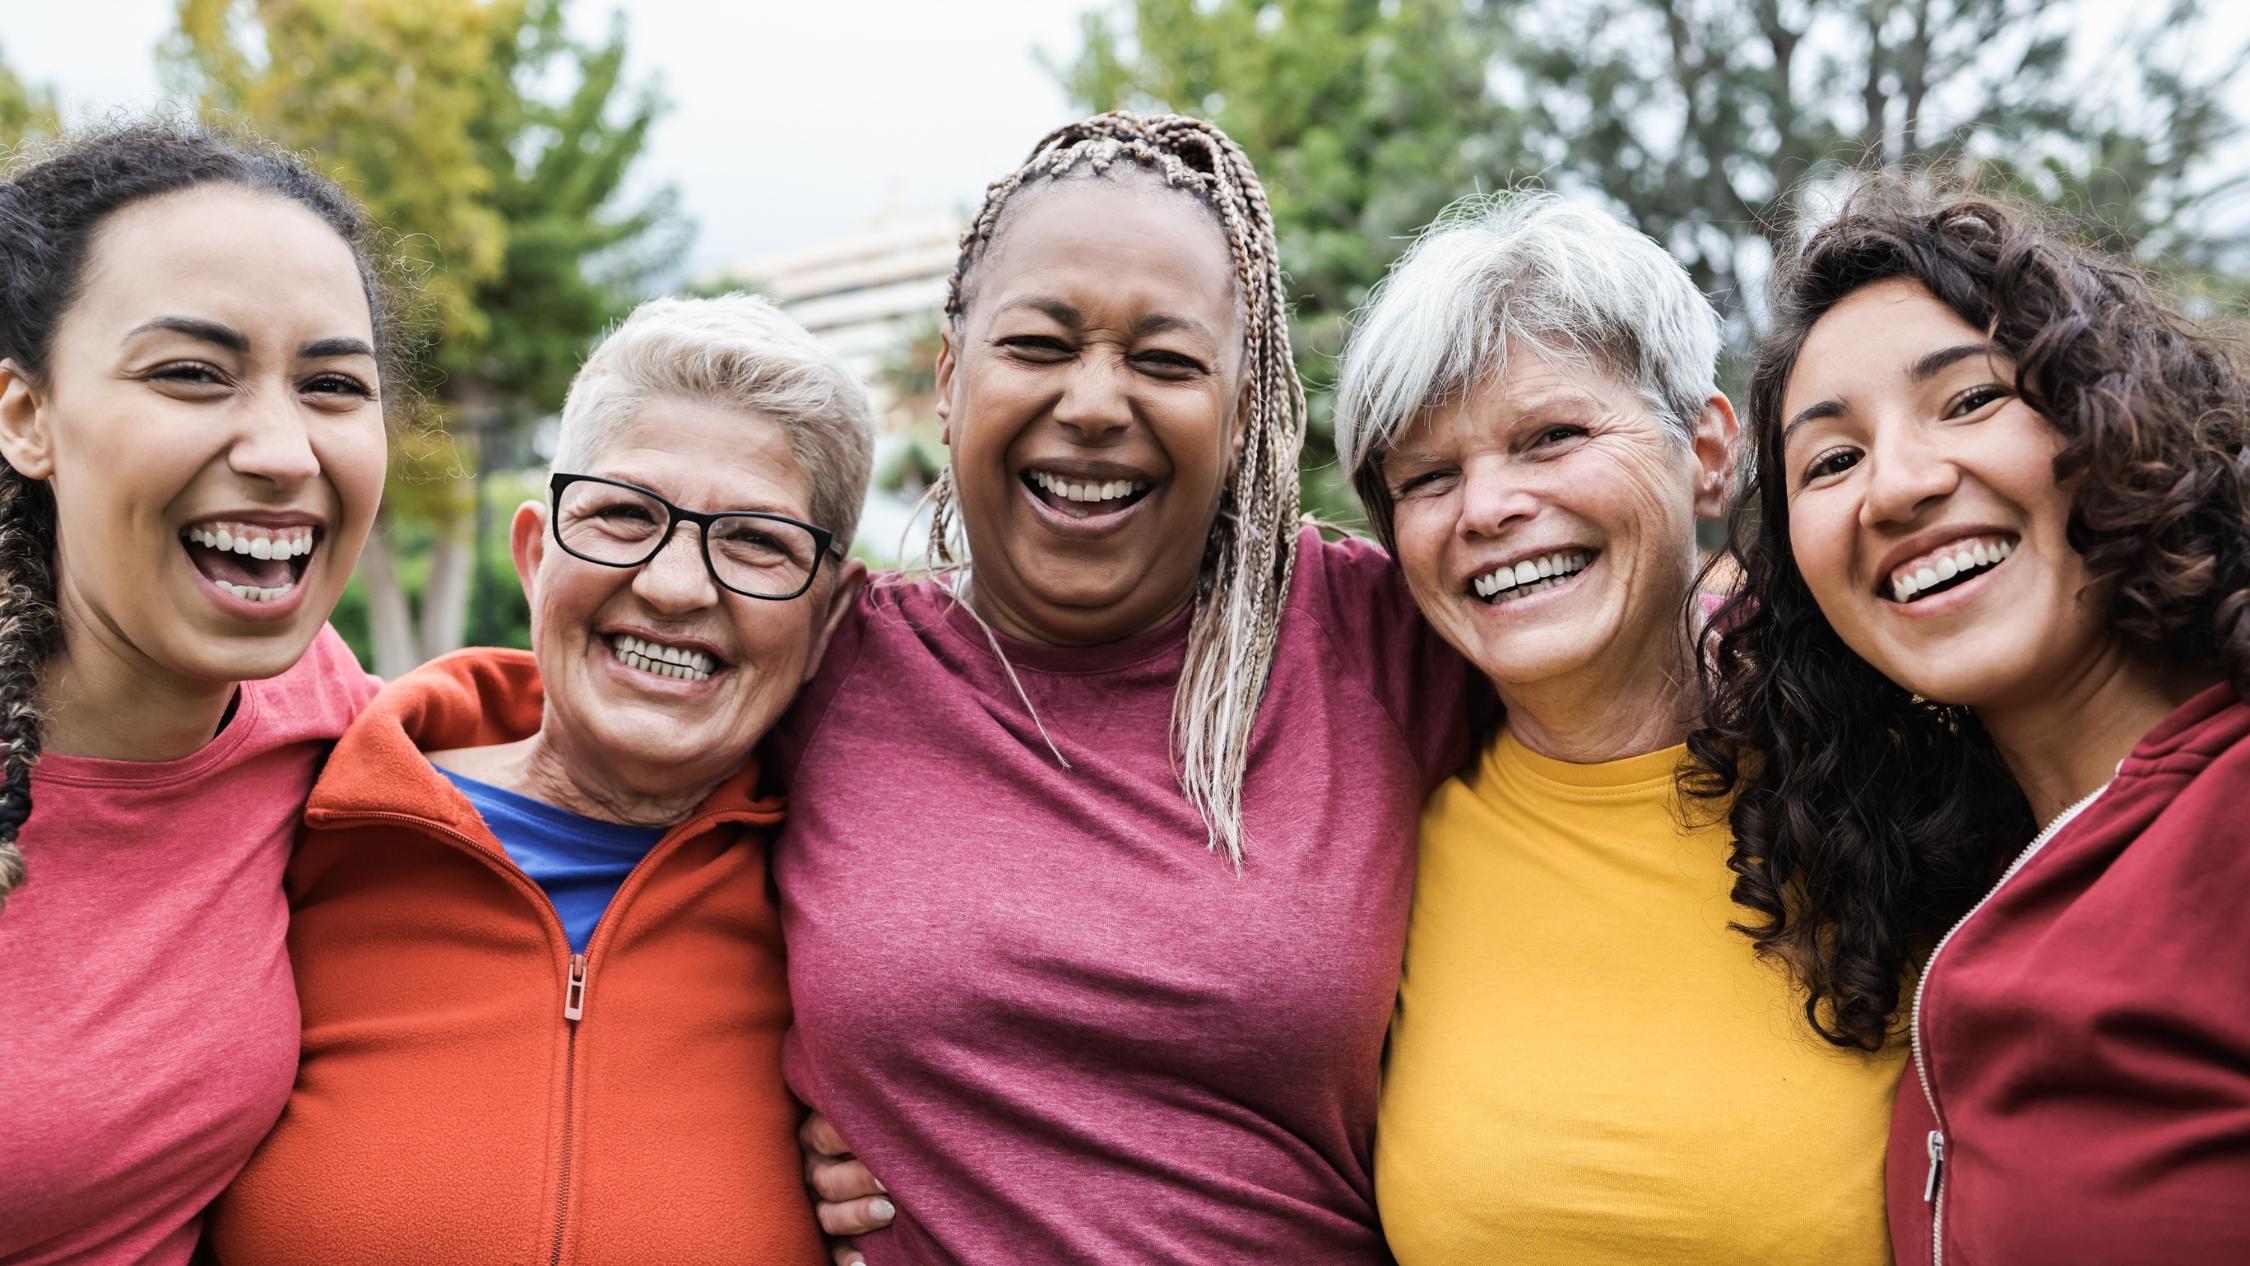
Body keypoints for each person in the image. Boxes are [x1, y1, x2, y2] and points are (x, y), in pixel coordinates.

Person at [782, 112, 1477, 1265]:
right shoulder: (823, 661)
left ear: (1243, 406)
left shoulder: (1377, 637)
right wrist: (752, 1126)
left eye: (1164, 360)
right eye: (1041, 346)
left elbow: (1684, 703)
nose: (1097, 404)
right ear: (950, 380)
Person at [207, 295, 873, 1266]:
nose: (677, 586)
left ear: (829, 619)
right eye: (623, 515)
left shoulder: (862, 940)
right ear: (534, 555)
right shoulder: (290, 821)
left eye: (756, 541)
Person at [1333, 191, 1905, 1264]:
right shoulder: (1383, 854)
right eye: (1430, 477)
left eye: (1550, 436)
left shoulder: (1914, 783)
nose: (1488, 507)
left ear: (1707, 449)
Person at [1692, 182, 2250, 1264]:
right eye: (1832, 461)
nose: (1894, 488)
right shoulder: (1949, 895)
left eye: (1968, 401)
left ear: (2114, 417)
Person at [0, 120, 394, 1266]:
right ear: (27, 416)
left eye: (332, 385)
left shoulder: (333, 721)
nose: (280, 448)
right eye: (191, 373)